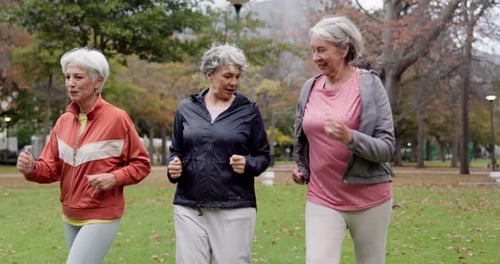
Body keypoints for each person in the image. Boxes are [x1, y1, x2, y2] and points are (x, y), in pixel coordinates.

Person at [16, 47, 151, 264]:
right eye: (68, 77)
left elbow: (141, 164)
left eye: (78, 77)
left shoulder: (117, 119)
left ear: (99, 81)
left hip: (101, 214)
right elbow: (51, 169)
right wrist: (32, 168)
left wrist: (114, 178)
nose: (71, 83)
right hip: (70, 215)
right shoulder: (63, 121)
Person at [292, 16, 395, 264]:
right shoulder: (310, 88)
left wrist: (350, 137)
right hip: (322, 197)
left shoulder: (369, 85)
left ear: (344, 49)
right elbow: (302, 138)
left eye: (322, 50)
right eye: (313, 50)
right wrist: (303, 168)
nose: (316, 57)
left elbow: (386, 149)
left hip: (370, 198)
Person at [167, 44, 271, 264]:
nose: (234, 82)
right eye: (227, 76)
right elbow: (176, 151)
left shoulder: (248, 111)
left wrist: (248, 164)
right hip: (189, 206)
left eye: (237, 76)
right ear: (210, 75)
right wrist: (173, 167)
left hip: (234, 208)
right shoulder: (186, 108)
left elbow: (263, 156)